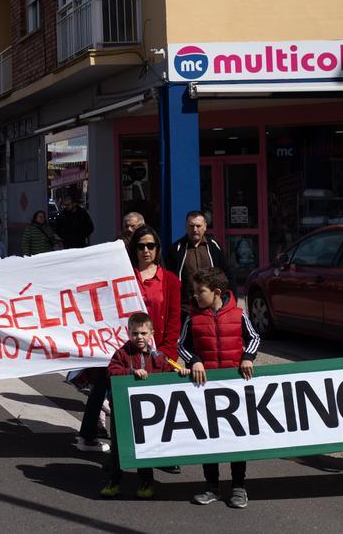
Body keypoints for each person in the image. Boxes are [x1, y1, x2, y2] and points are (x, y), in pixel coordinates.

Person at [179, 267, 260, 509]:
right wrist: (195, 361)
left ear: (216, 292)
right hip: (205, 388)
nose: (195, 296)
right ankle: (211, 486)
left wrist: (247, 357)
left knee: (236, 437)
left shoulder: (238, 314)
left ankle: (238, 486)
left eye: (199, 292)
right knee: (209, 438)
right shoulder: (193, 318)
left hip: (234, 387)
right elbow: (182, 345)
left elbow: (254, 337)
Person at [100, 313, 186, 499]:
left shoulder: (159, 357)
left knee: (144, 448)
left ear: (151, 334)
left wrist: (182, 372)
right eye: (135, 333)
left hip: (146, 414)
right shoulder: (122, 354)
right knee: (117, 449)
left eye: (143, 333)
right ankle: (114, 482)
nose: (139, 337)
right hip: (123, 411)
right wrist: (131, 372)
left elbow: (171, 369)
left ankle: (146, 483)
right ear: (128, 333)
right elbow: (111, 372)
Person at [130, 226, 182, 361]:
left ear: (157, 248)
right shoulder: (125, 278)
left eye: (150, 246)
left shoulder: (171, 280)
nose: (146, 250)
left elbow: (174, 320)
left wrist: (166, 352)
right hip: (129, 351)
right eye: (141, 246)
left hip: (160, 351)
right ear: (134, 250)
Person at [168, 211, 231, 313]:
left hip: (212, 307)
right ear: (186, 227)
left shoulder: (214, 246)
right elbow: (169, 278)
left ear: (205, 226)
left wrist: (230, 299)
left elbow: (227, 273)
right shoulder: (176, 249)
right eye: (191, 226)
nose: (195, 229)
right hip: (185, 308)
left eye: (198, 226)